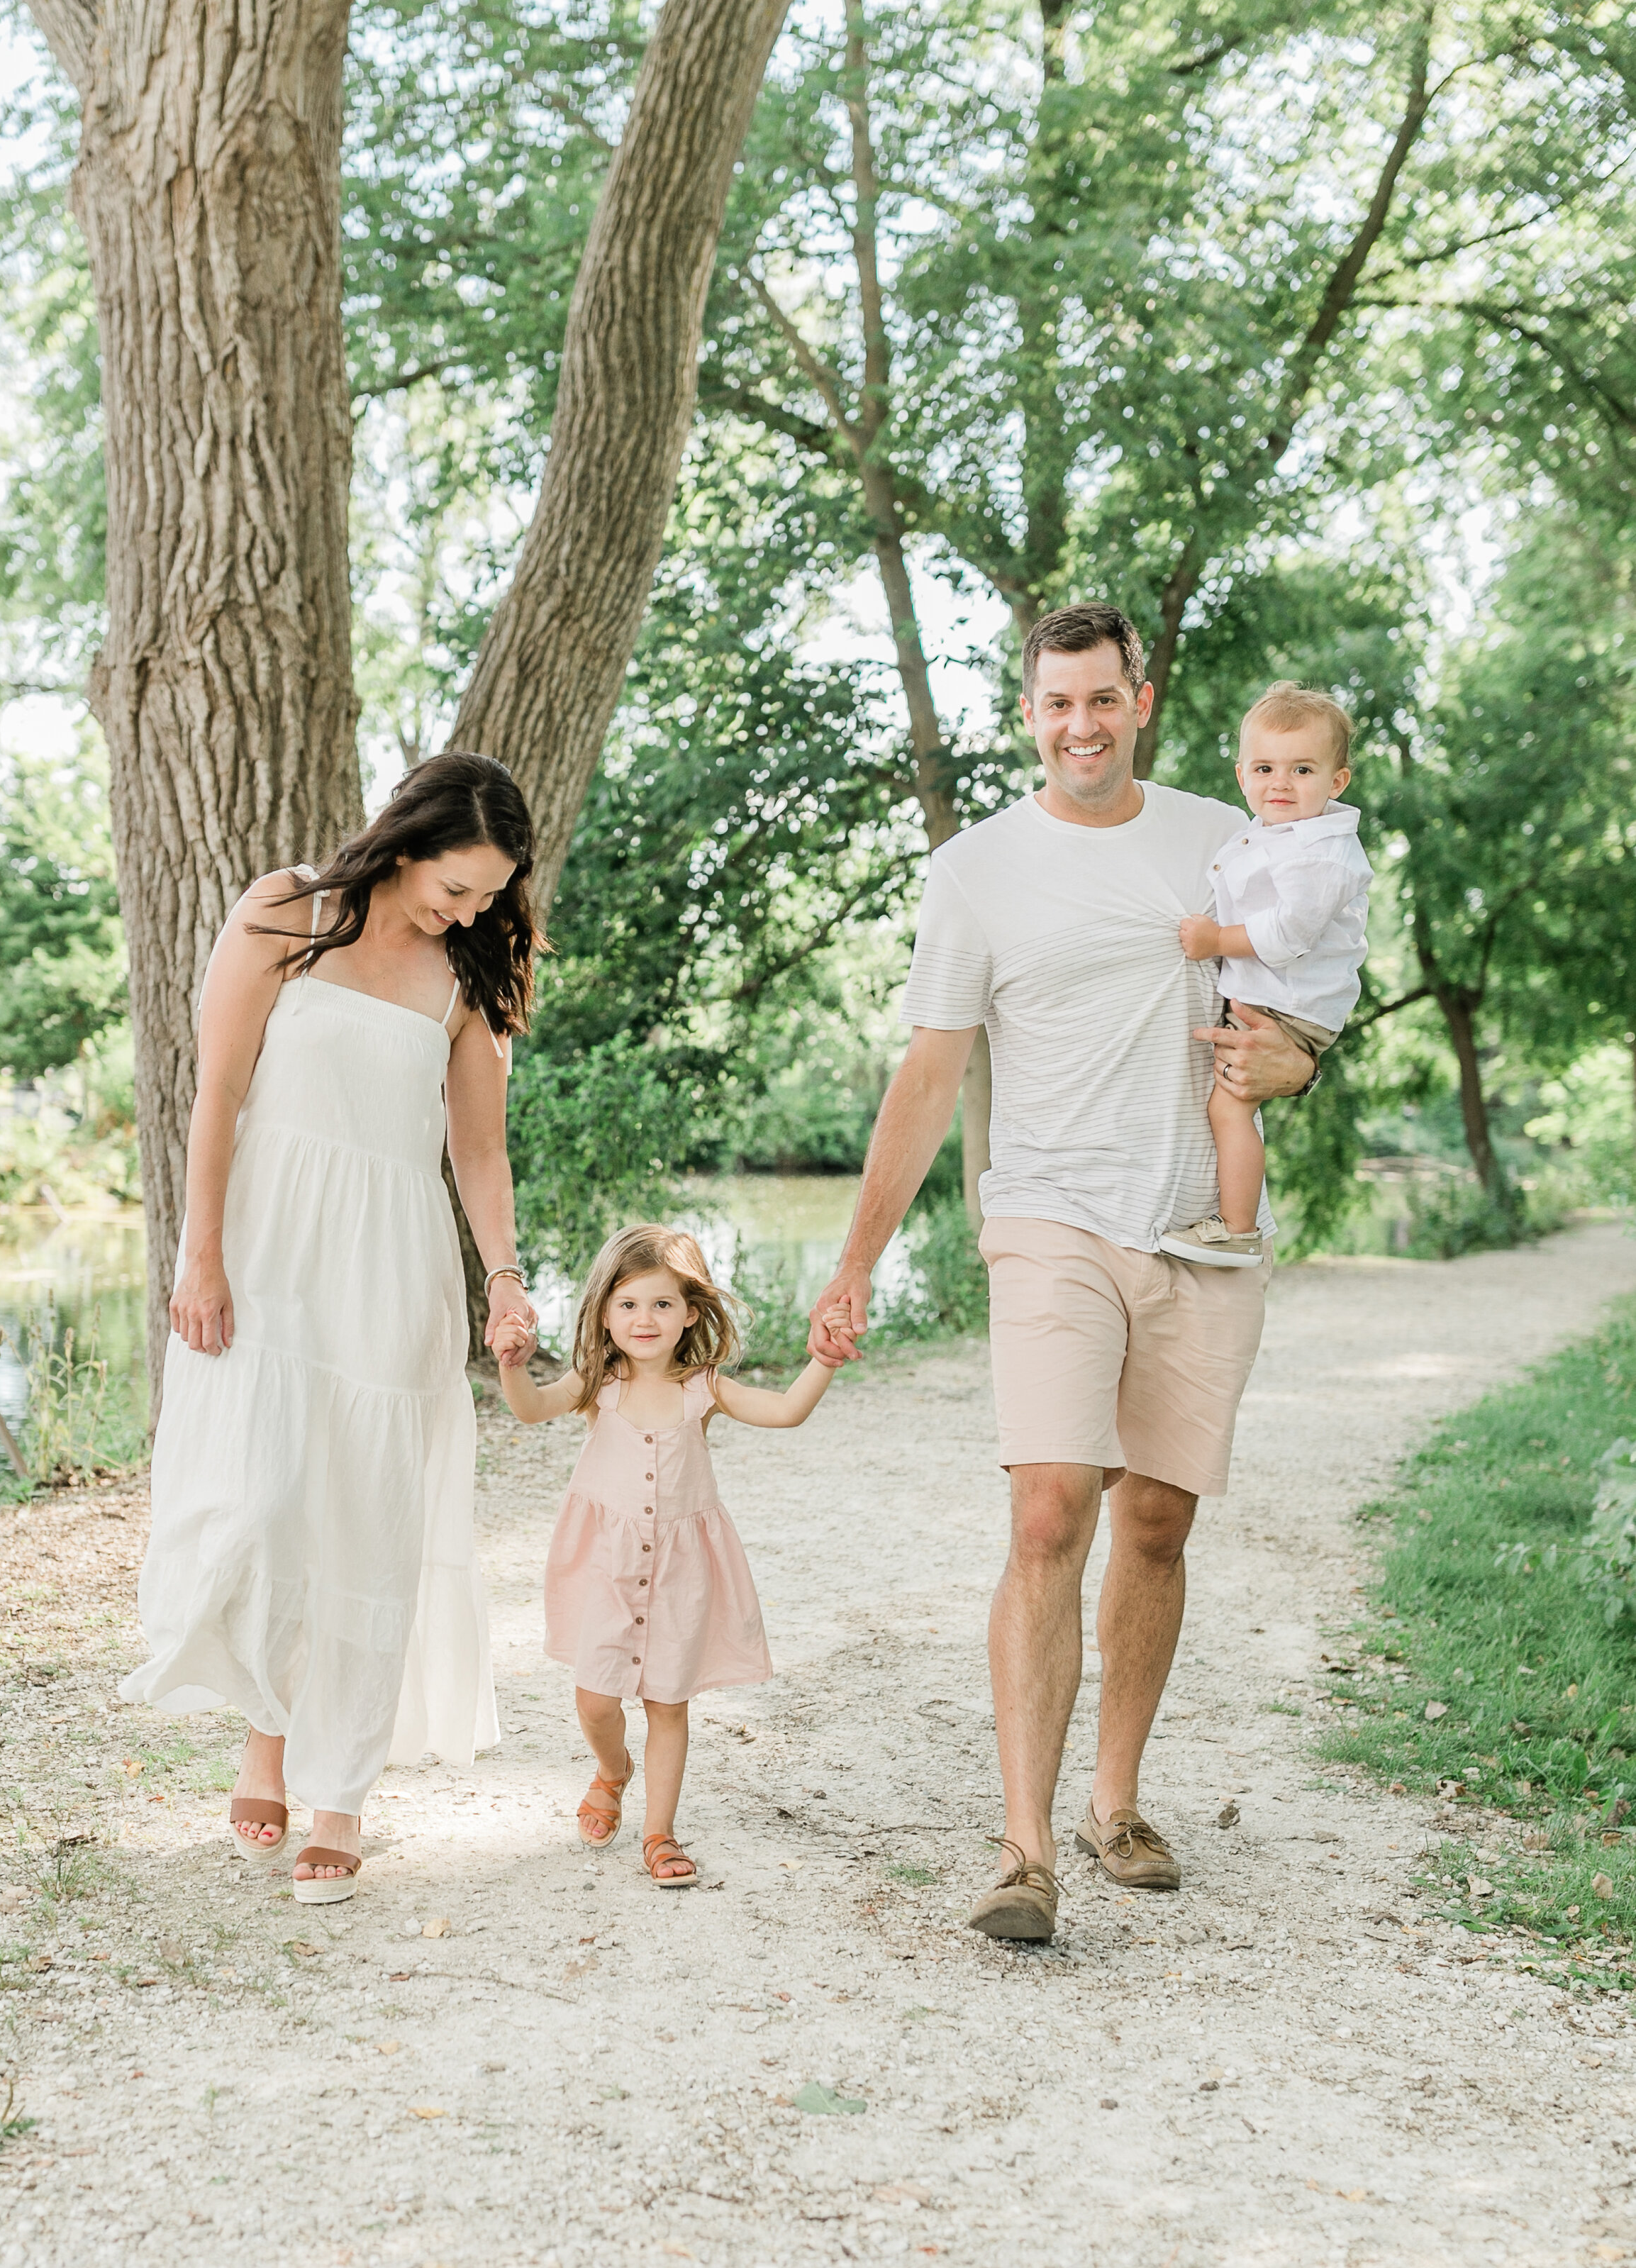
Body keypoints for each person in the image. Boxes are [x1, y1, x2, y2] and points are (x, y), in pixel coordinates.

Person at [806, 602, 1320, 1944]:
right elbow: (928, 1075)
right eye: (1055, 704)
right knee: (1047, 1513)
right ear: (1026, 714)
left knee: (1157, 1523)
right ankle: (1023, 1849)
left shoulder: (1230, 837)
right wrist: (854, 1262)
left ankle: (1116, 1801)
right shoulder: (975, 871)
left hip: (1202, 1230)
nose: (1080, 726)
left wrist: (1302, 1063)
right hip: (1048, 1217)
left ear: (1141, 698)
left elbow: (1304, 992)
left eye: (1102, 699)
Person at [121, 752, 541, 1905]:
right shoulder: (285, 910)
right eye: (459, 886)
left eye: (490, 898)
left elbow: (480, 1149)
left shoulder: (465, 973)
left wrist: (504, 1276)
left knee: (364, 1530)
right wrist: (198, 1255)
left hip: (390, 1268)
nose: (472, 910)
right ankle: (266, 1731)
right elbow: (216, 1091)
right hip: (266, 1252)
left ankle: (340, 1791)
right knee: (260, 1505)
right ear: (407, 840)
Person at [493, 1224, 835, 1887]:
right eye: (627, 1304)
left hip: (679, 1575)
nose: (643, 1319)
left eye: (661, 1304)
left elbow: (788, 1410)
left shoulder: (704, 1389)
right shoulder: (599, 1382)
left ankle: (660, 1832)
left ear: (690, 1314)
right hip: (606, 1570)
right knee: (595, 1701)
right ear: (603, 1313)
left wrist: (822, 1358)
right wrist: (513, 1365)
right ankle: (613, 1770)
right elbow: (532, 1410)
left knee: (668, 1704)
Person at [1164, 682, 1371, 1266]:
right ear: (1241, 776)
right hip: (1280, 997)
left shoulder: (1321, 854)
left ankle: (1237, 1229)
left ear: (1337, 781)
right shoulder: (1273, 831)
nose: (1280, 783)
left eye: (1302, 768)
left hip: (1291, 1005)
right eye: (1265, 768)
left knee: (1230, 1108)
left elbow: (1286, 936)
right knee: (1228, 1105)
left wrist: (1215, 941)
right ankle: (1233, 1220)